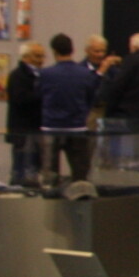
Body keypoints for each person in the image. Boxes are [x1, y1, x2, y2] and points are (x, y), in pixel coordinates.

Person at [37, 33, 100, 183]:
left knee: (50, 171)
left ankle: (51, 193)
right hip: (77, 126)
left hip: (51, 126)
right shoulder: (85, 73)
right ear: (72, 50)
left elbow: (39, 96)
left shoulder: (46, 74)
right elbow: (91, 98)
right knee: (80, 171)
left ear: (54, 51)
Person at [5, 42, 46, 184]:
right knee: (22, 165)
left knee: (36, 165)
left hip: (37, 128)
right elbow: (20, 99)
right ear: (26, 57)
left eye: (43, 56)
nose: (41, 60)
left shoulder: (41, 75)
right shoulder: (17, 76)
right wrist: (43, 95)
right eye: (37, 56)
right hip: (23, 130)